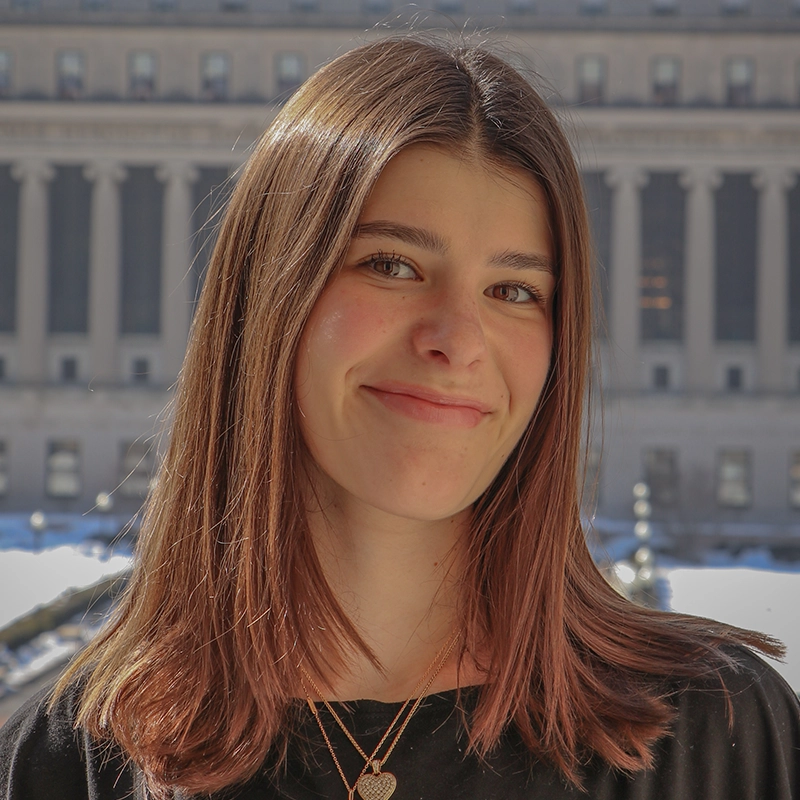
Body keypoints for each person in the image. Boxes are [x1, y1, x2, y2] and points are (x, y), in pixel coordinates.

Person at [1, 35, 798, 800]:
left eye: (515, 291)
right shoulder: (67, 766)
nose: (456, 340)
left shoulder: (721, 736)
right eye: (393, 265)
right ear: (271, 297)